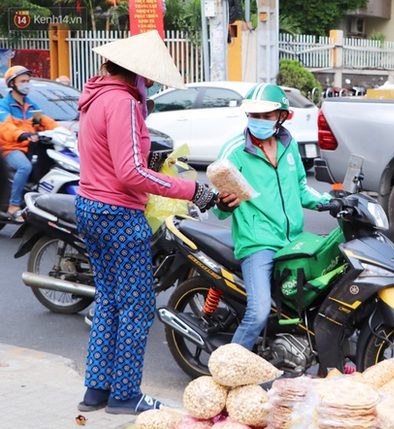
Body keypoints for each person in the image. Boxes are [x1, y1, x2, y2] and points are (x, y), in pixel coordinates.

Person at [74, 30, 233, 415]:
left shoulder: (94, 97)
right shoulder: (124, 103)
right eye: (147, 79)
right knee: (139, 305)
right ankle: (126, 395)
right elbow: (130, 173)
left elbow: (111, 160)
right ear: (137, 75)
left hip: (89, 206)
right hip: (117, 213)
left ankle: (96, 391)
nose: (148, 85)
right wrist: (193, 190)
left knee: (110, 300)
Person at [212, 83, 331, 351]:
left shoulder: (289, 146)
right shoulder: (234, 151)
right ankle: (228, 371)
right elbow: (217, 207)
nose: (260, 122)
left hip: (293, 241)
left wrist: (330, 202)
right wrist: (225, 204)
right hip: (258, 243)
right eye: (255, 116)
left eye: (266, 116)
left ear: (282, 116)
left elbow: (300, 187)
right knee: (258, 313)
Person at [0, 65, 61, 220]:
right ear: (12, 84)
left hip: (32, 147)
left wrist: (64, 131)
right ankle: (13, 206)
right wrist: (21, 134)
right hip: (11, 147)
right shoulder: (4, 105)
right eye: (22, 81)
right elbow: (6, 127)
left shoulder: (31, 106)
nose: (27, 84)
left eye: (28, 80)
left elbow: (45, 122)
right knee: (24, 166)